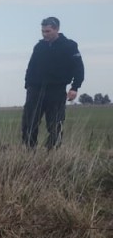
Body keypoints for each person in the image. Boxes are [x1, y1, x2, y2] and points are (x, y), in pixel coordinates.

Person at [21, 16, 85, 150]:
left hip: (56, 90)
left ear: (57, 29)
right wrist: (28, 84)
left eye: (48, 31)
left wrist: (75, 87)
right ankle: (29, 151)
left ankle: (52, 152)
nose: (45, 34)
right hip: (35, 89)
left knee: (55, 123)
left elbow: (78, 68)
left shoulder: (69, 46)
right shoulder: (39, 46)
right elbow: (31, 66)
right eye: (43, 31)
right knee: (29, 122)